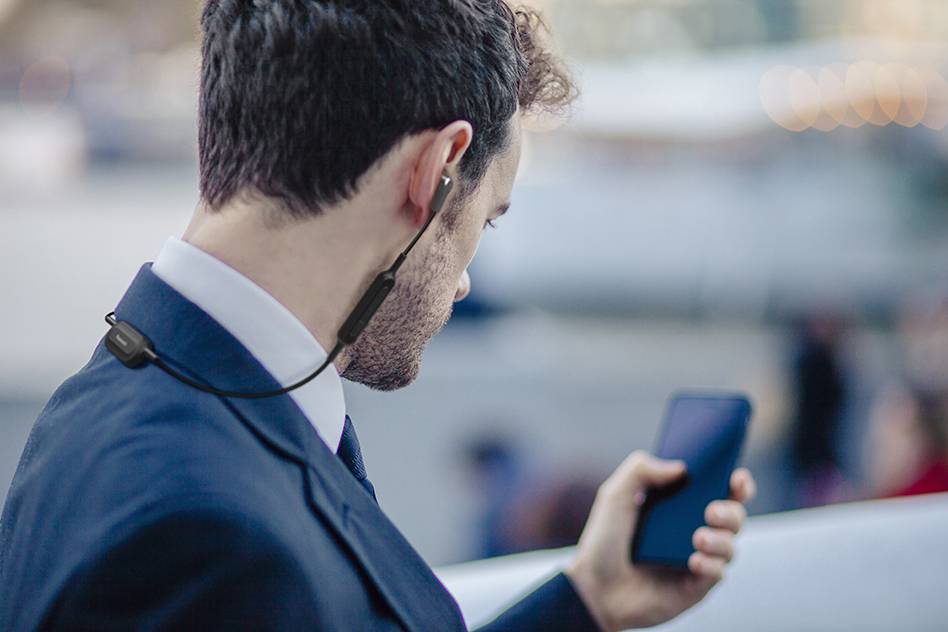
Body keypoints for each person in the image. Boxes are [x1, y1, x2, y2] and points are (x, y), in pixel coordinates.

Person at [0, 2, 756, 630]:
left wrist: (586, 599)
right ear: (436, 171)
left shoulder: (134, 398)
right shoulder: (208, 540)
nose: (462, 283)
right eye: (483, 222)